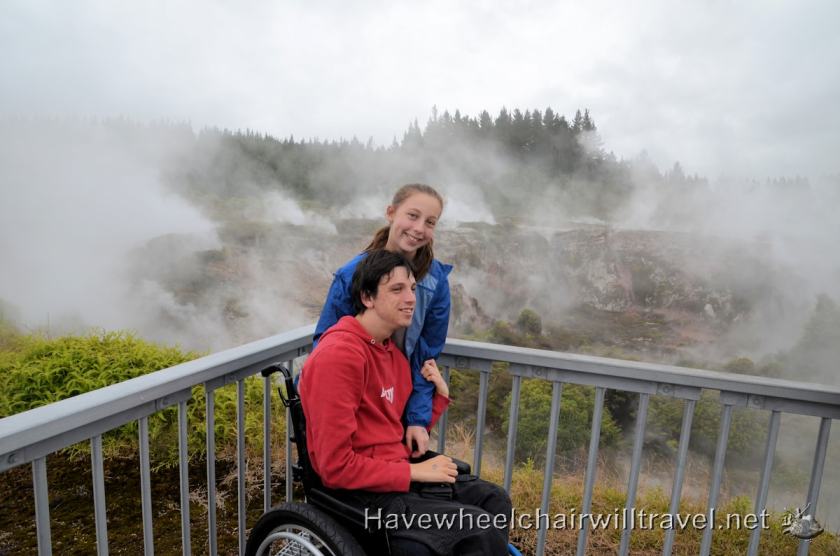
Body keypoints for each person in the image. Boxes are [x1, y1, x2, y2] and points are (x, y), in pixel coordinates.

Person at [301, 250, 511, 556]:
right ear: (367, 297)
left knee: (494, 500)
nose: (411, 298)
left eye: (412, 288)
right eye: (396, 289)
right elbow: (335, 467)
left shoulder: (391, 354)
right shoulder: (340, 356)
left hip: (394, 473)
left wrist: (438, 399)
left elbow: (393, 431)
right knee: (476, 527)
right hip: (361, 496)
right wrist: (416, 472)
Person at [314, 184, 451, 458]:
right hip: (359, 410)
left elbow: (425, 357)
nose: (419, 228)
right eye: (412, 215)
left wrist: (417, 419)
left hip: (400, 406)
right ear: (391, 213)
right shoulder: (353, 274)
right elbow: (326, 345)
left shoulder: (435, 282)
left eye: (430, 222)